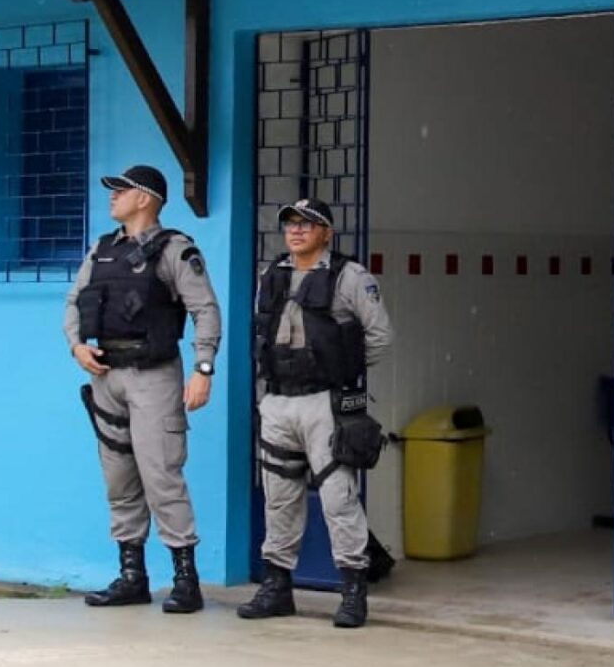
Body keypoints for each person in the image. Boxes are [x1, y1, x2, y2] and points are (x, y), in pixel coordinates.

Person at [64, 163, 221, 614]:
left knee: (161, 476)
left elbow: (205, 310)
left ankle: (186, 581)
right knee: (119, 480)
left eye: (122, 190)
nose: (113, 196)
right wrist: (77, 346)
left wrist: (203, 368)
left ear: (145, 198)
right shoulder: (102, 249)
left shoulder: (175, 250)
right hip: (105, 375)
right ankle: (132, 576)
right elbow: (73, 302)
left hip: (153, 375)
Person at [237, 199, 393, 630]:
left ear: (327, 233)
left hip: (325, 401)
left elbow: (379, 337)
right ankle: (276, 587)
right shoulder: (272, 274)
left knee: (338, 497)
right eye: (291, 223)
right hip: (278, 400)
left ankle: (353, 591)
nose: (297, 230)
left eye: (308, 224)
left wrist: (341, 371)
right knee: (279, 497)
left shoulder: (349, 276)